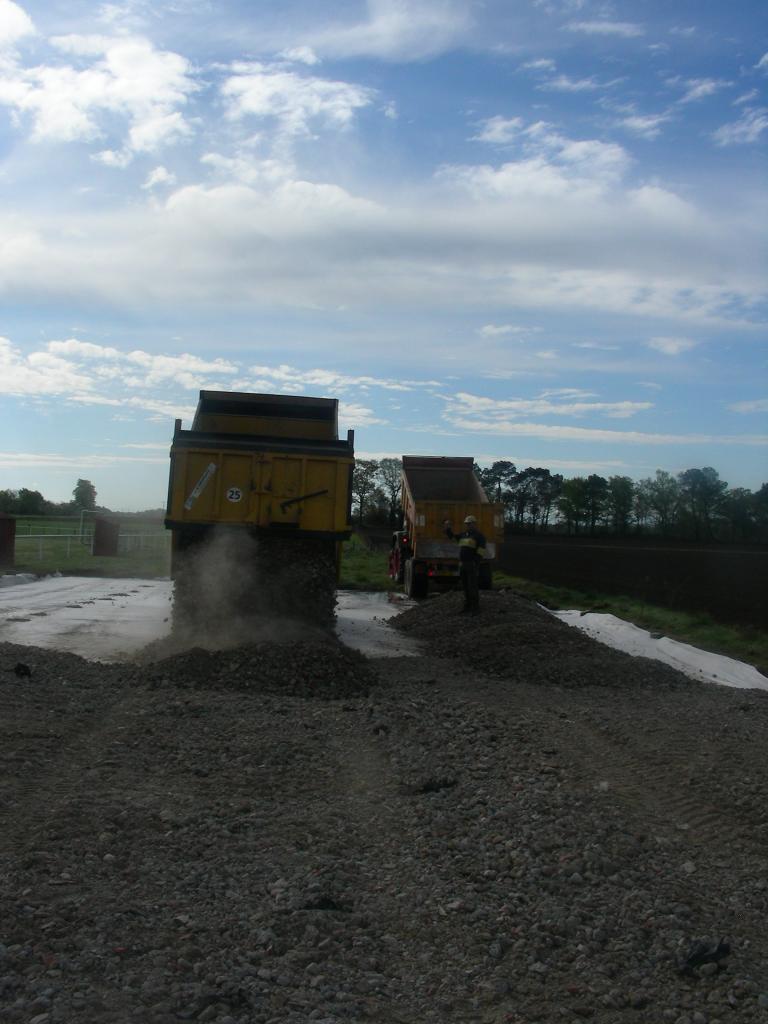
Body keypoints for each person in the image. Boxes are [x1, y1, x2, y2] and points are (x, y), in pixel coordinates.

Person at [444, 514, 487, 613]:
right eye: (467, 524)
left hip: (471, 564)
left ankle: (475, 608)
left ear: (474, 524)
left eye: (469, 524)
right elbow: (453, 537)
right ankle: (467, 606)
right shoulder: (464, 534)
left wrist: (475, 562)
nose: (468, 525)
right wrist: (448, 529)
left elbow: (481, 551)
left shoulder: (479, 536)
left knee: (472, 586)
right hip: (463, 564)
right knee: (465, 586)